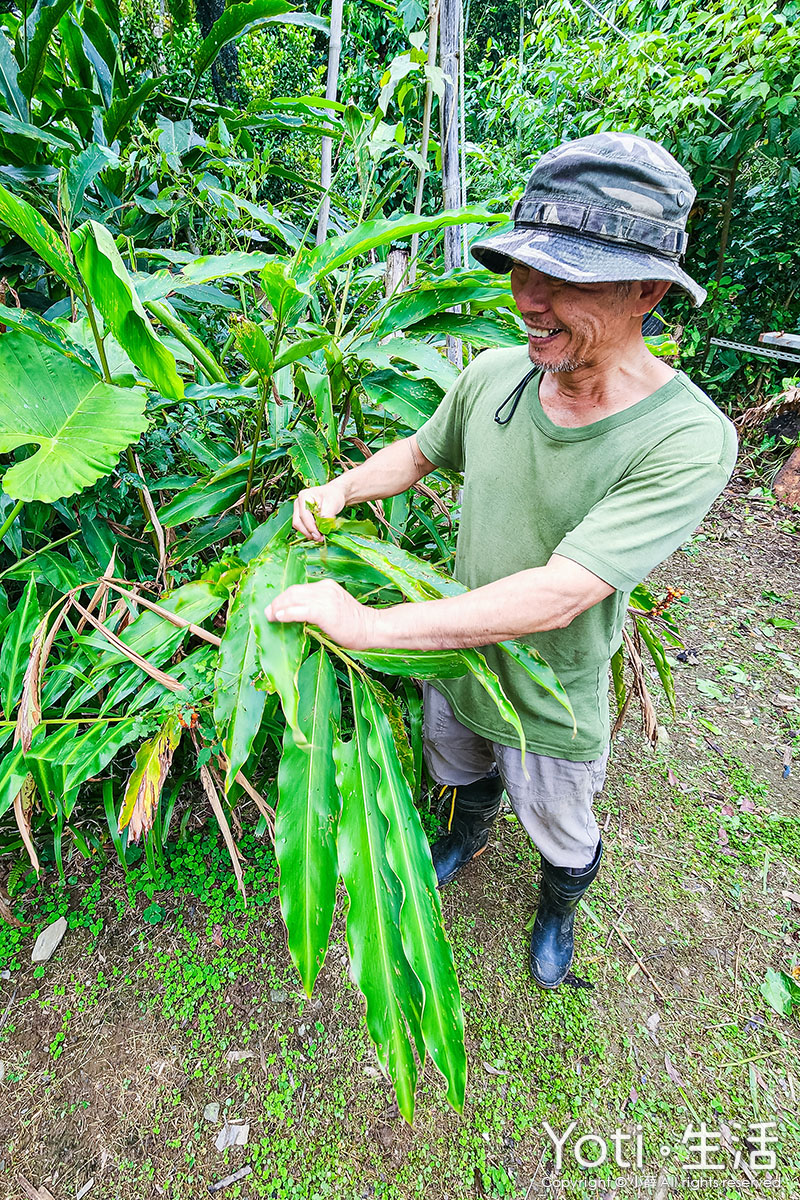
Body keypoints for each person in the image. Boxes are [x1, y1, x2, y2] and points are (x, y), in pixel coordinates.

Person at [264, 133, 738, 990]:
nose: (528, 298)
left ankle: (559, 899)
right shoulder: (493, 374)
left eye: (564, 277)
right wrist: (339, 490)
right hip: (454, 647)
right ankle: (467, 832)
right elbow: (417, 453)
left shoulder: (688, 437)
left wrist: (369, 626)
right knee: (456, 764)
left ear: (649, 291)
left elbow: (561, 594)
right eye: (524, 269)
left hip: (554, 681)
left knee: (560, 818)